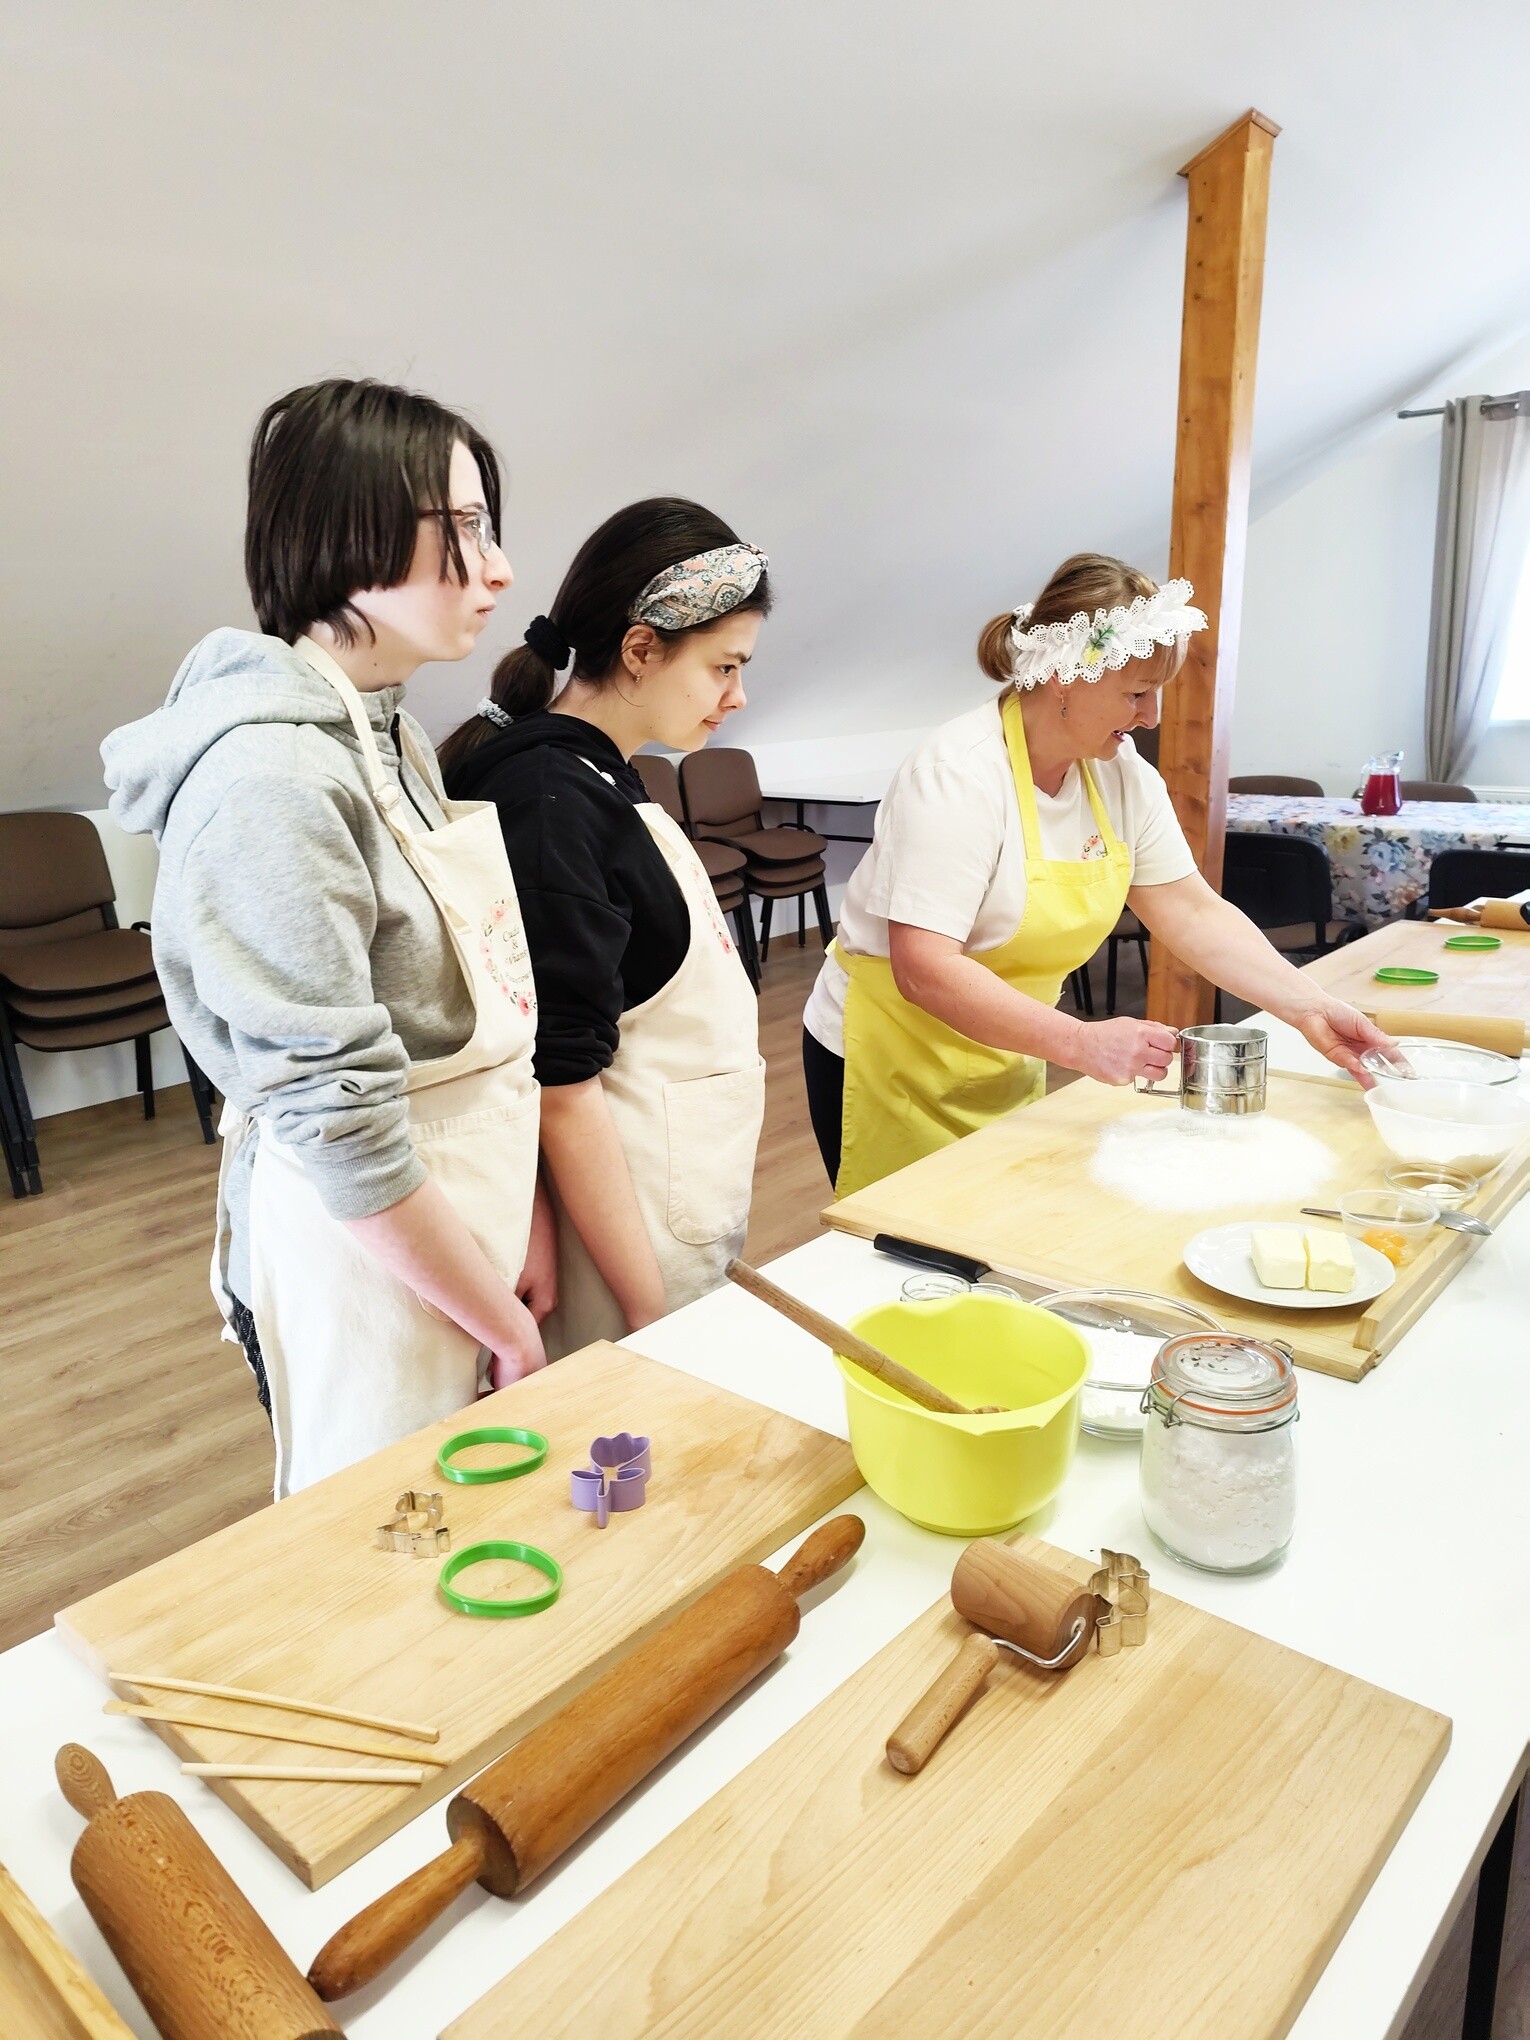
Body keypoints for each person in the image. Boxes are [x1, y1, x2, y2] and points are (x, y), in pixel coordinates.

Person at [103, 378, 551, 1496]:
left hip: (461, 1216)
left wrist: (524, 1219)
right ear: (346, 534)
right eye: (465, 527)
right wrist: (498, 1318)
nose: (499, 569)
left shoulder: (392, 730)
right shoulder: (272, 779)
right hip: (364, 1247)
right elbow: (338, 1120)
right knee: (390, 1534)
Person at [802, 553, 1389, 1196]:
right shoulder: (958, 774)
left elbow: (1191, 910)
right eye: (1136, 693)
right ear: (1064, 677)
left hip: (1007, 1042)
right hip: (891, 1056)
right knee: (906, 1235)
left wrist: (1311, 1008)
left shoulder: (1121, 775)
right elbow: (925, 968)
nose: (1151, 717)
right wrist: (1082, 1043)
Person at [438, 499, 768, 1355]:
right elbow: (559, 1084)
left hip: (671, 1195)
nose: (737, 697)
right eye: (724, 667)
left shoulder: (601, 775)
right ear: (640, 649)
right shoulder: (553, 805)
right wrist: (648, 1308)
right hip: (625, 1250)